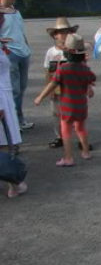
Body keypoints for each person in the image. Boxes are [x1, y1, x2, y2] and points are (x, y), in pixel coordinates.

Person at [34, 34, 95, 167]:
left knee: (66, 131)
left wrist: (40, 97)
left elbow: (52, 84)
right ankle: (86, 152)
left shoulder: (63, 69)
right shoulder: (85, 69)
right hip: (81, 106)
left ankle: (68, 158)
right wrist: (89, 90)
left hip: (67, 105)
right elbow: (90, 85)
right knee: (81, 128)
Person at [0, 0, 33, 130]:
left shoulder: (16, 11)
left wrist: (26, 46)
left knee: (21, 87)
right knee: (13, 89)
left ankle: (18, 118)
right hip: (10, 54)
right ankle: (13, 121)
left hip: (23, 53)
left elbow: (20, 32)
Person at [43, 17, 79, 148]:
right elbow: (47, 70)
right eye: (61, 32)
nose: (64, 35)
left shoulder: (75, 50)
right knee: (56, 114)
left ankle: (81, 138)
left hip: (72, 88)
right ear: (55, 35)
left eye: (67, 32)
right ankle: (60, 137)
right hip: (57, 87)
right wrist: (49, 88)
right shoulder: (51, 52)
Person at [0, 43, 27, 198]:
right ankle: (14, 184)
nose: (3, 20)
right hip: (1, 96)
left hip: (5, 93)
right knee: (4, 141)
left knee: (5, 141)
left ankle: (14, 183)